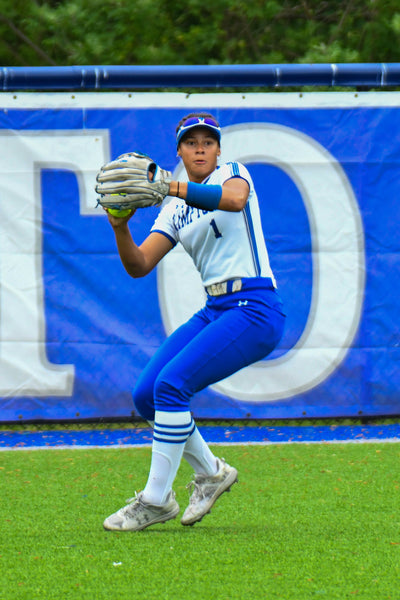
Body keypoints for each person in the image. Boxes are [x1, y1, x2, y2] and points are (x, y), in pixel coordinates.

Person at [102, 113, 286, 532]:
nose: (200, 148)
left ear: (219, 149)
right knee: (148, 394)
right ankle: (212, 473)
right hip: (217, 308)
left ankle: (155, 499)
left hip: (254, 306)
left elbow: (234, 200)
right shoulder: (172, 209)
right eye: (191, 142)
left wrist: (169, 185)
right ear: (180, 151)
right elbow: (140, 264)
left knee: (171, 387)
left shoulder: (233, 173)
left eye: (208, 141)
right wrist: (119, 227)